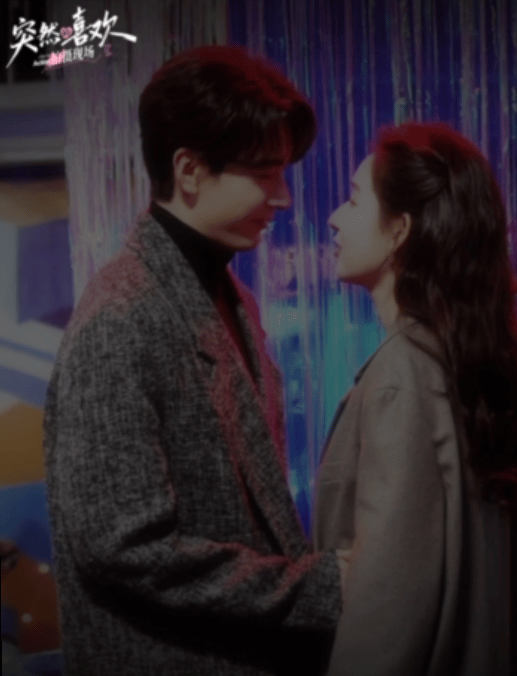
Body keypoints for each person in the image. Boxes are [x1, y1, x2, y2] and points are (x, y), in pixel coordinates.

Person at [43, 45, 346, 676]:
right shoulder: (123, 315)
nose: (284, 198)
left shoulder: (228, 293)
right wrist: (317, 587)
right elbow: (123, 545)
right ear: (189, 170)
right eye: (264, 174)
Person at [313, 121, 517, 675]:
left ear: (399, 231)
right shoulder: (459, 360)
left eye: (354, 200)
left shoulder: (404, 377)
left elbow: (387, 608)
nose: (334, 217)